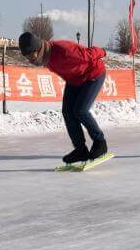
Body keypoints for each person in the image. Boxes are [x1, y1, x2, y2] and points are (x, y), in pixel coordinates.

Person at [18, 31, 108, 165]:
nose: (30, 60)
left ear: (38, 48)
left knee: (80, 111)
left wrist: (103, 51)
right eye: (26, 57)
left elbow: (90, 54)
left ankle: (100, 143)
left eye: (31, 55)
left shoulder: (64, 51)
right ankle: (80, 150)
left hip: (93, 74)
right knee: (67, 112)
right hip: (74, 80)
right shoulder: (44, 58)